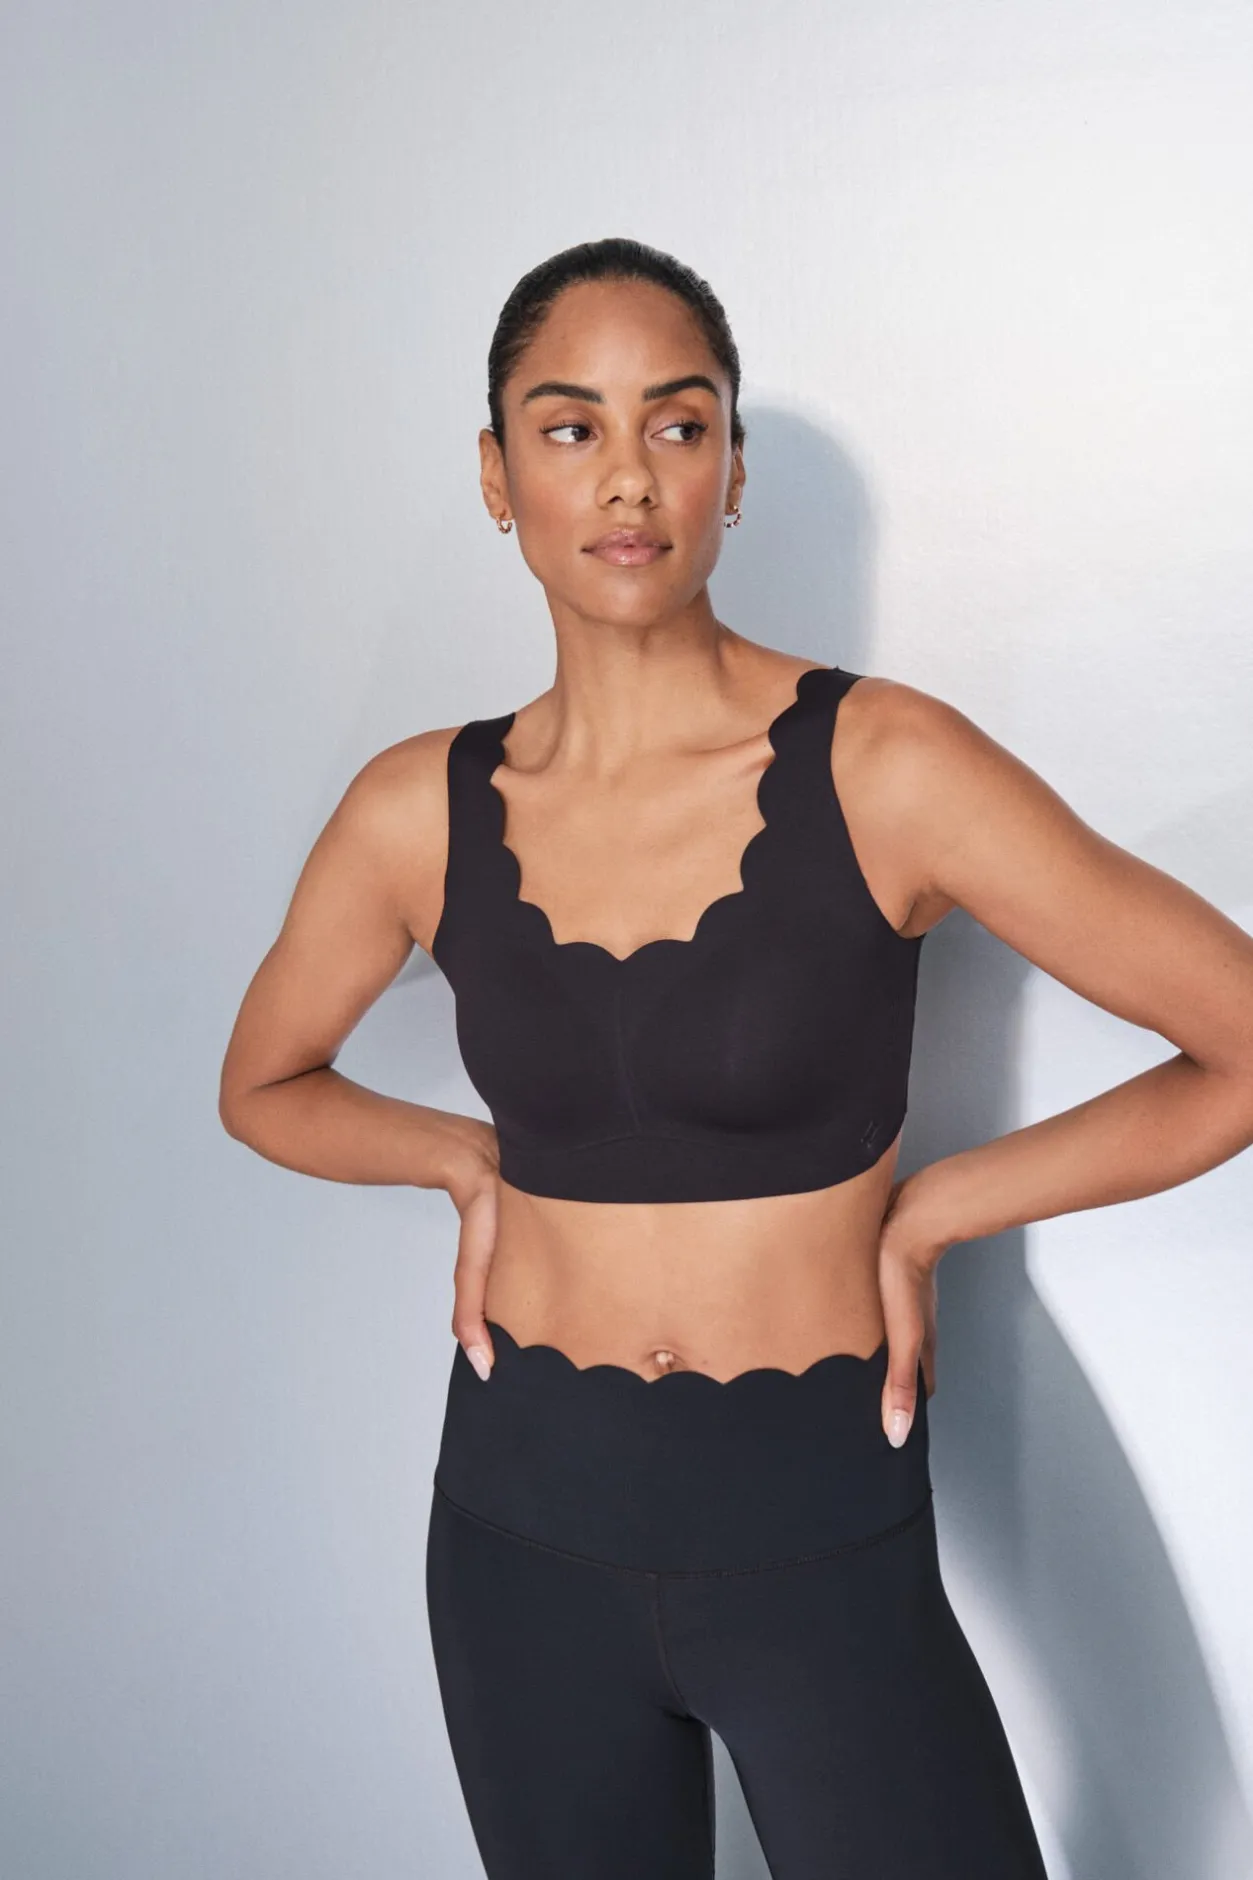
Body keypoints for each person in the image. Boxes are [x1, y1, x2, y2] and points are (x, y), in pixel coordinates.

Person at [218, 237, 1253, 1879]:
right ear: (497, 475)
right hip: (519, 1527)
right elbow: (262, 1083)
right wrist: (461, 1161)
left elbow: (1238, 1036)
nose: (628, 476)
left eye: (678, 425)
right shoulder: (416, 809)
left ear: (734, 471)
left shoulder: (888, 765)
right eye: (571, 428)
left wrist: (936, 1212)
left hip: (815, 1522)